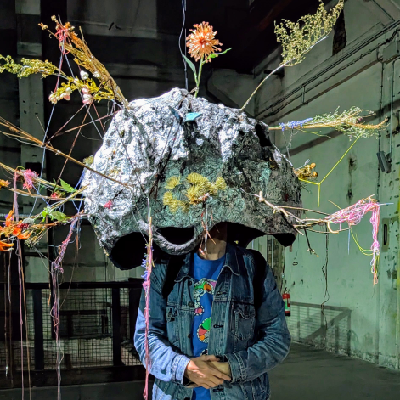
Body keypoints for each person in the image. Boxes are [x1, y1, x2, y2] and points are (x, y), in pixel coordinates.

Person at [134, 222, 290, 400]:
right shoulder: (165, 268)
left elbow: (277, 338)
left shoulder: (252, 267)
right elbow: (145, 337)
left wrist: (231, 368)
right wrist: (184, 368)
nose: (211, 219)